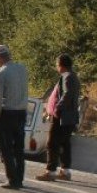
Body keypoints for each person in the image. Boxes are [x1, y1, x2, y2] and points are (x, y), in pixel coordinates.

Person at [37, 54, 82, 182]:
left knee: (52, 143)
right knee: (64, 143)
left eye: (57, 65)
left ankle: (50, 172)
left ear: (61, 65)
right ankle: (65, 171)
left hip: (62, 116)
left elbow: (67, 94)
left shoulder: (67, 77)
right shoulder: (73, 76)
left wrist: (57, 108)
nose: (57, 67)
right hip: (69, 116)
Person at [0, 44, 29, 190]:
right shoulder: (22, 69)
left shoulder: (1, 74)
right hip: (21, 112)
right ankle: (19, 177)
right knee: (19, 148)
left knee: (6, 148)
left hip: (7, 113)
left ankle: (12, 179)